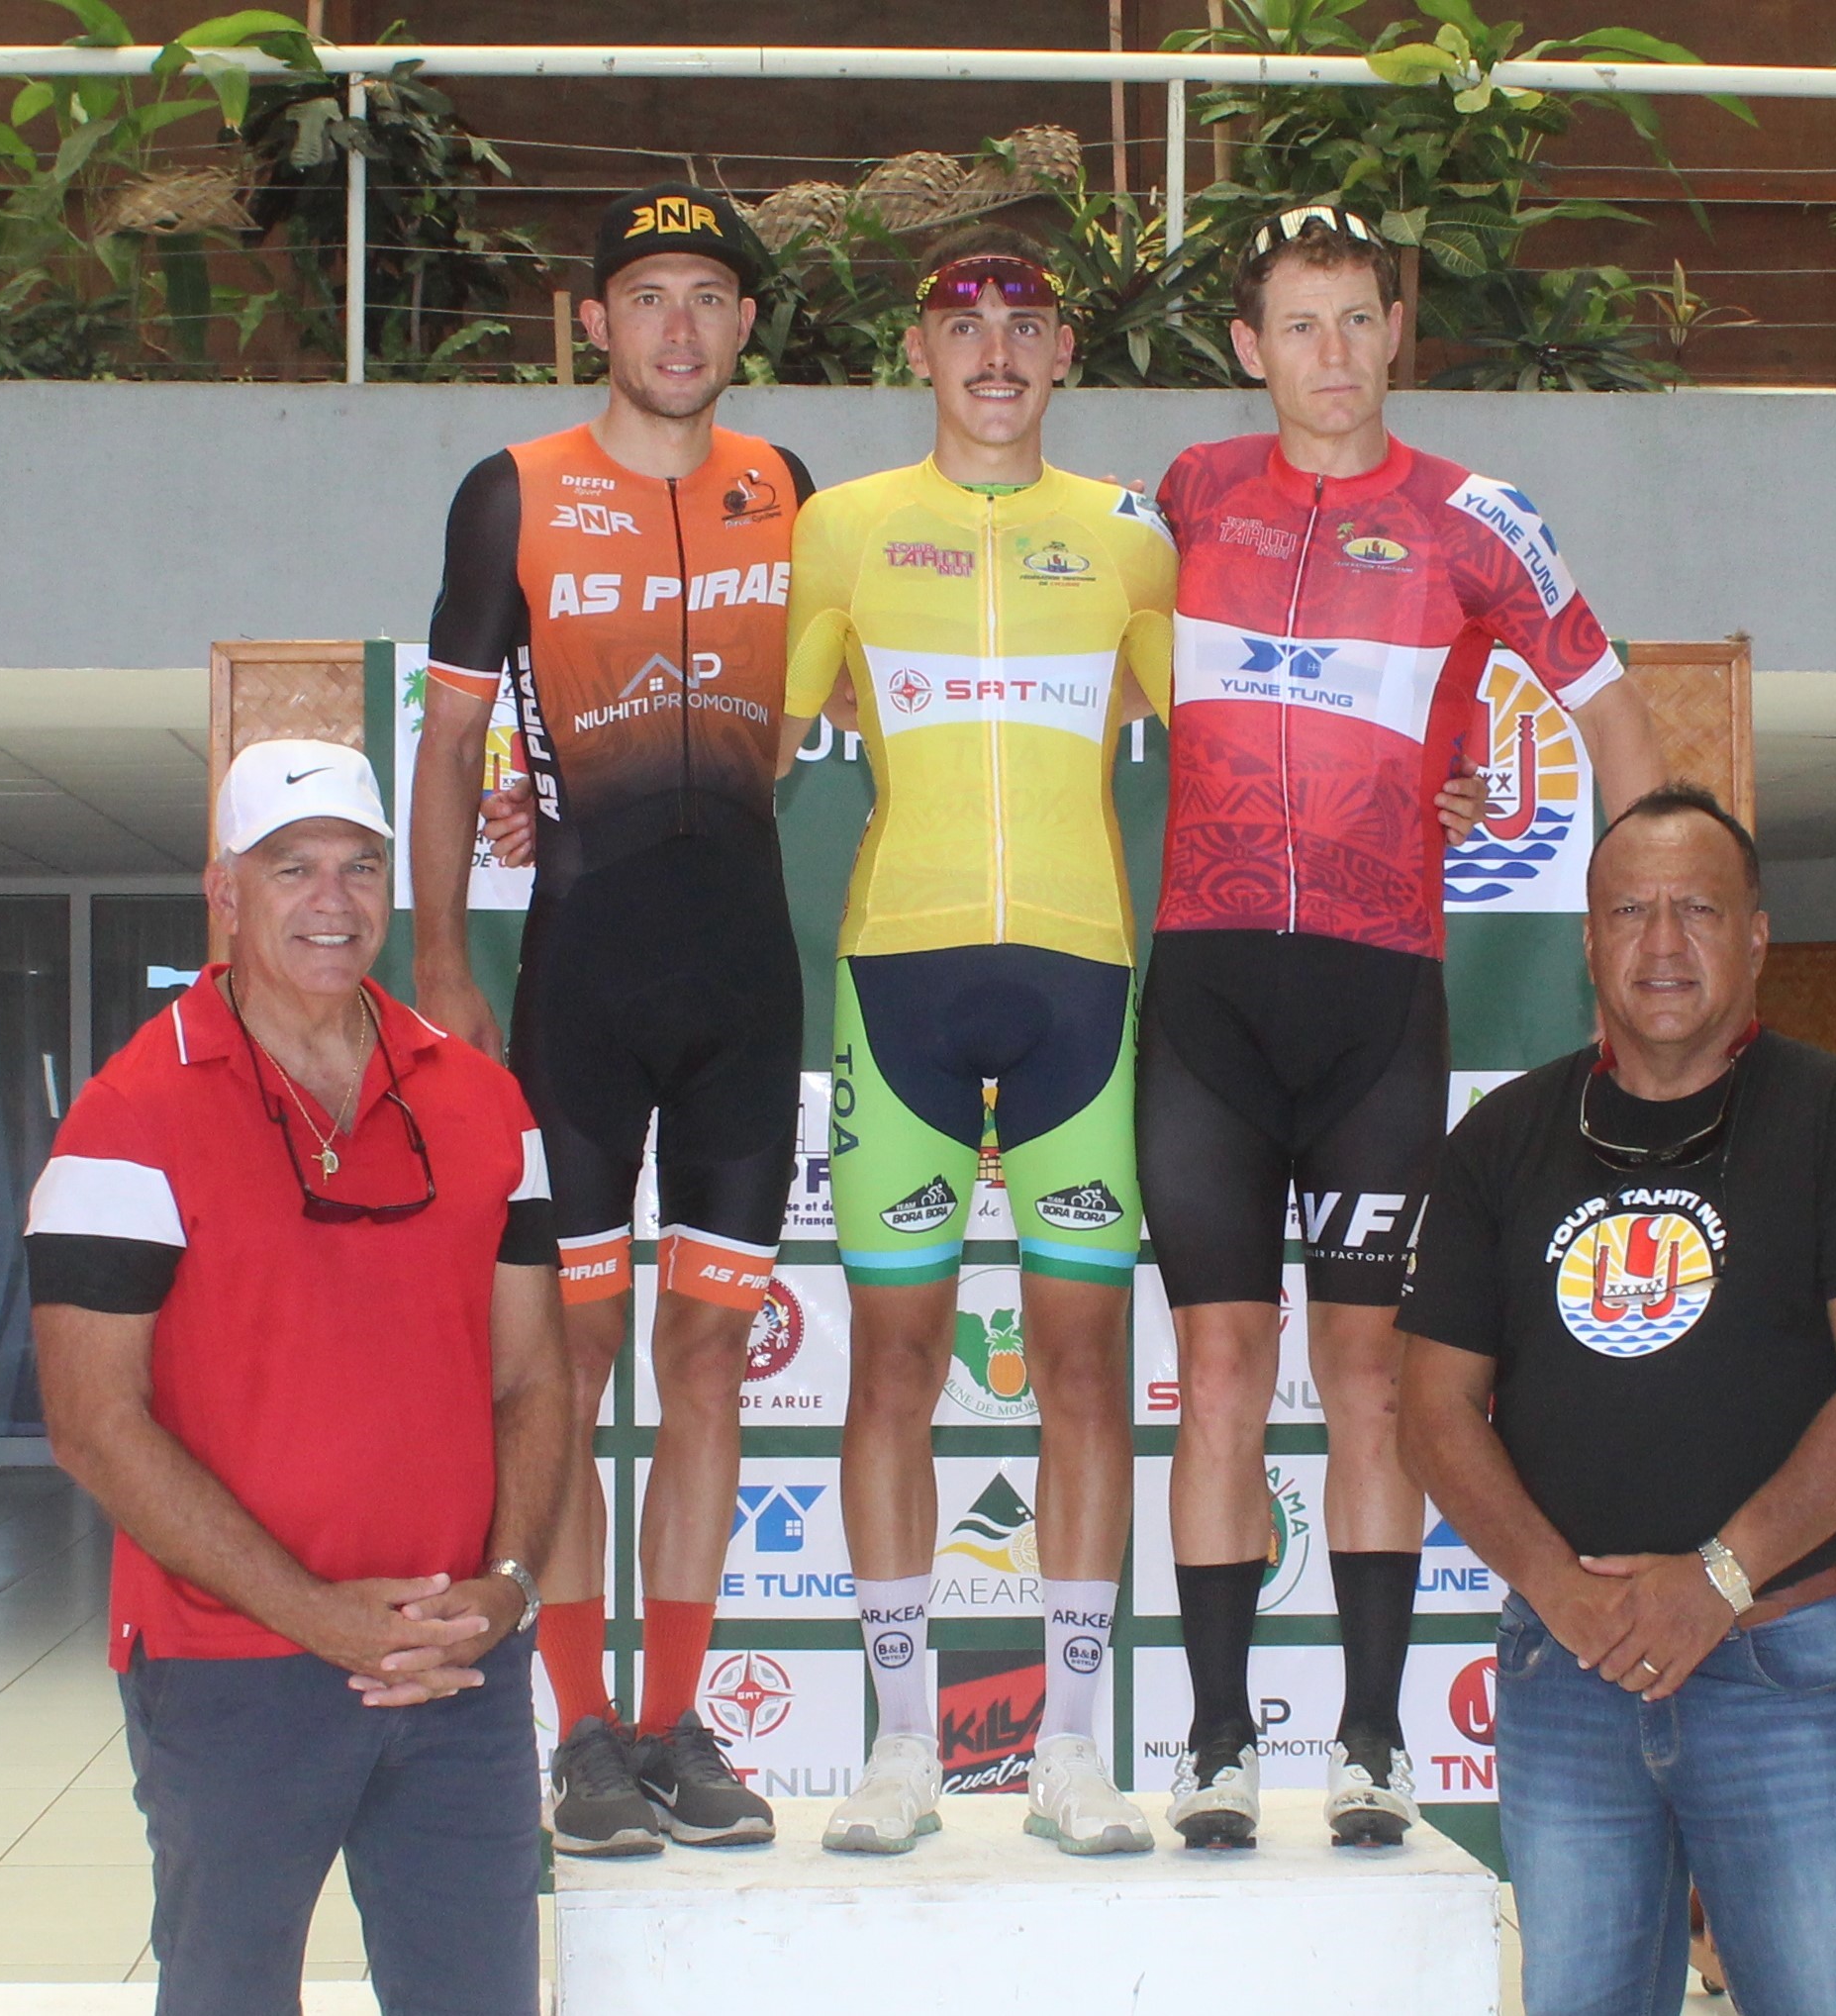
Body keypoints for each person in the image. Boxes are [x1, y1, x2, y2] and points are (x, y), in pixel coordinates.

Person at [1142, 204, 1665, 1850]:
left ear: (1393, 331)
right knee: (1220, 1374)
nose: (1334, 356)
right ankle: (1218, 1739)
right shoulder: (1182, 497)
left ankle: (1371, 1739)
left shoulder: (1478, 519)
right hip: (1207, 997)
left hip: (1379, 993)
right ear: (1249, 348)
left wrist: (1665, 916)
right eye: (1299, 325)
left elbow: (1610, 711)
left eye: (1359, 320)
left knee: (1370, 1383)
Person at [25, 739, 574, 2016]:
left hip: (457, 1668)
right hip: (228, 1664)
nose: (334, 900)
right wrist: (314, 1611)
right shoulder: (127, 1113)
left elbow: (536, 1377)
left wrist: (507, 1589)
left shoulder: (490, 1104)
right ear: (224, 892)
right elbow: (92, 1423)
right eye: (293, 869)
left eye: (360, 867)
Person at [1397, 785, 1836, 2016]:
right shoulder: (1500, 1142)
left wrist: (1717, 1577)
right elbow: (1432, 1407)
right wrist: (1559, 1592)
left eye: (1699, 909)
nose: (1662, 944)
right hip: (1568, 1671)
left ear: (1757, 937)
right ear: (1585, 941)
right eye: (1630, 912)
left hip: (1790, 1663)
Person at [413, 183, 813, 1855]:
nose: (676, 326)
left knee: (708, 1355)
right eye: (646, 294)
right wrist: (444, 958)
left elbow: (808, 715)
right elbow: (446, 752)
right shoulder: (511, 492)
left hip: (742, 984)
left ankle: (674, 1720)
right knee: (562, 1363)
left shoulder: (789, 492)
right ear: (594, 321)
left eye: (707, 296)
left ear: (739, 329)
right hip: (572, 989)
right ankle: (576, 1725)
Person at [774, 227, 1178, 1856]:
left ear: (1066, 351)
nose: (995, 350)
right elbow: (758, 742)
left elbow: (1226, 741)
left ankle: (1068, 1753)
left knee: (1084, 1373)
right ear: (918, 353)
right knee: (893, 1365)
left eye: (1023, 322)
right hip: (898, 983)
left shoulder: (1132, 537)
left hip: (1083, 980)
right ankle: (898, 1749)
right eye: (963, 322)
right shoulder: (845, 528)